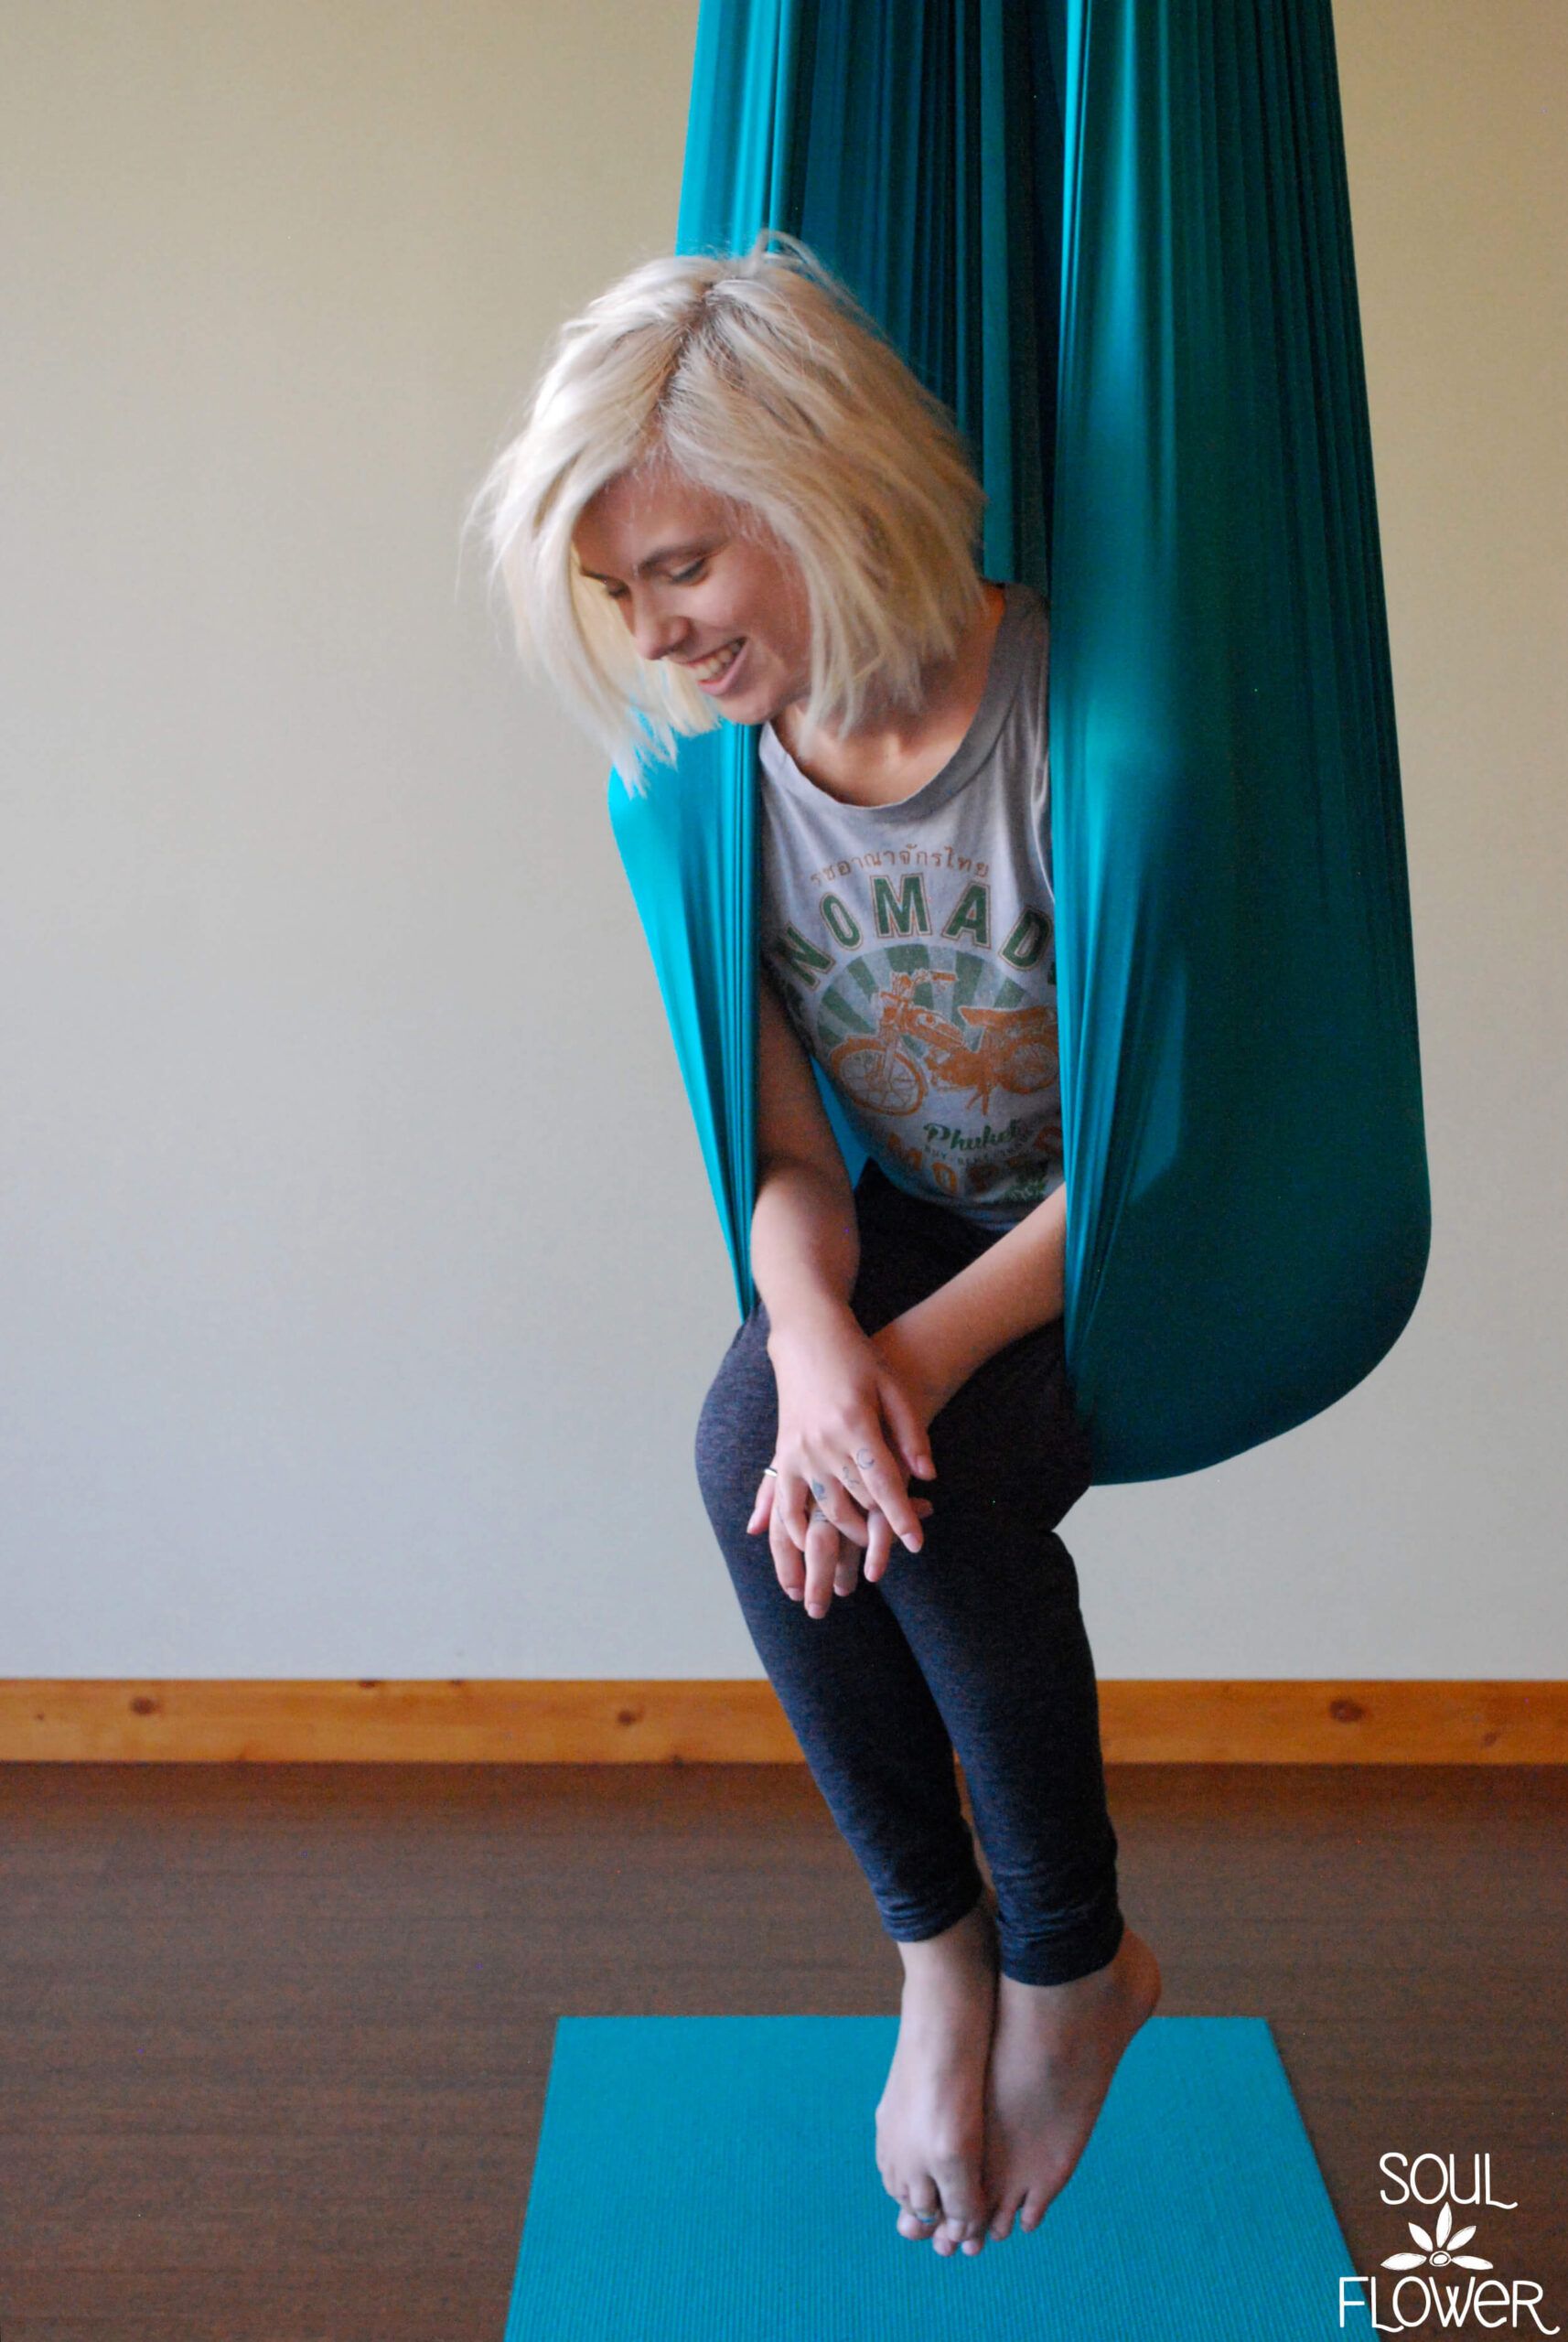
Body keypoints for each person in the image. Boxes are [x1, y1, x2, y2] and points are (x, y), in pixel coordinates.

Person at [472, 231, 1162, 2260]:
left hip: (1122, 1228)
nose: (658, 630)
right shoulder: (708, 802)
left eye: (681, 563)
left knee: (913, 1486)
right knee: (737, 1441)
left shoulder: (1082, 739)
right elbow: (787, 1153)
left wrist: (901, 1373)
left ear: (821, 478)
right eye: (622, 594)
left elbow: (1146, 1152)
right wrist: (811, 1341)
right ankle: (935, 1948)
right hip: (918, 1211)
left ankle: (1068, 1961)